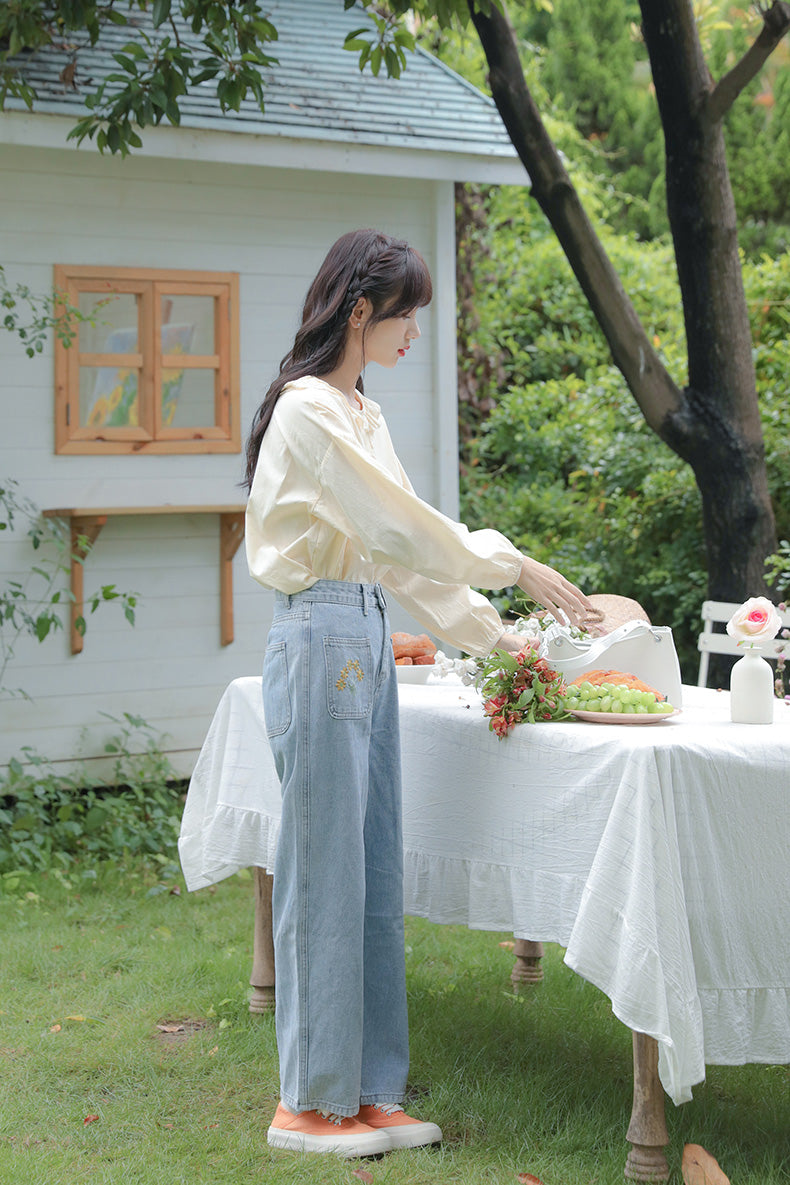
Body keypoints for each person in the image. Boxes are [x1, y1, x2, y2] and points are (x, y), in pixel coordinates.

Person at [244, 228, 591, 1158]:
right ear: (361, 311)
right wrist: (508, 560)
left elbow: (405, 560)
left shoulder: (363, 413)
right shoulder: (307, 410)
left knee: (370, 867)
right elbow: (403, 526)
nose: (413, 335)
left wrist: (502, 637)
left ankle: (367, 1088)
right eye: (406, 317)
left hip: (362, 627)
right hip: (319, 632)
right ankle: (307, 1102)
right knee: (322, 864)